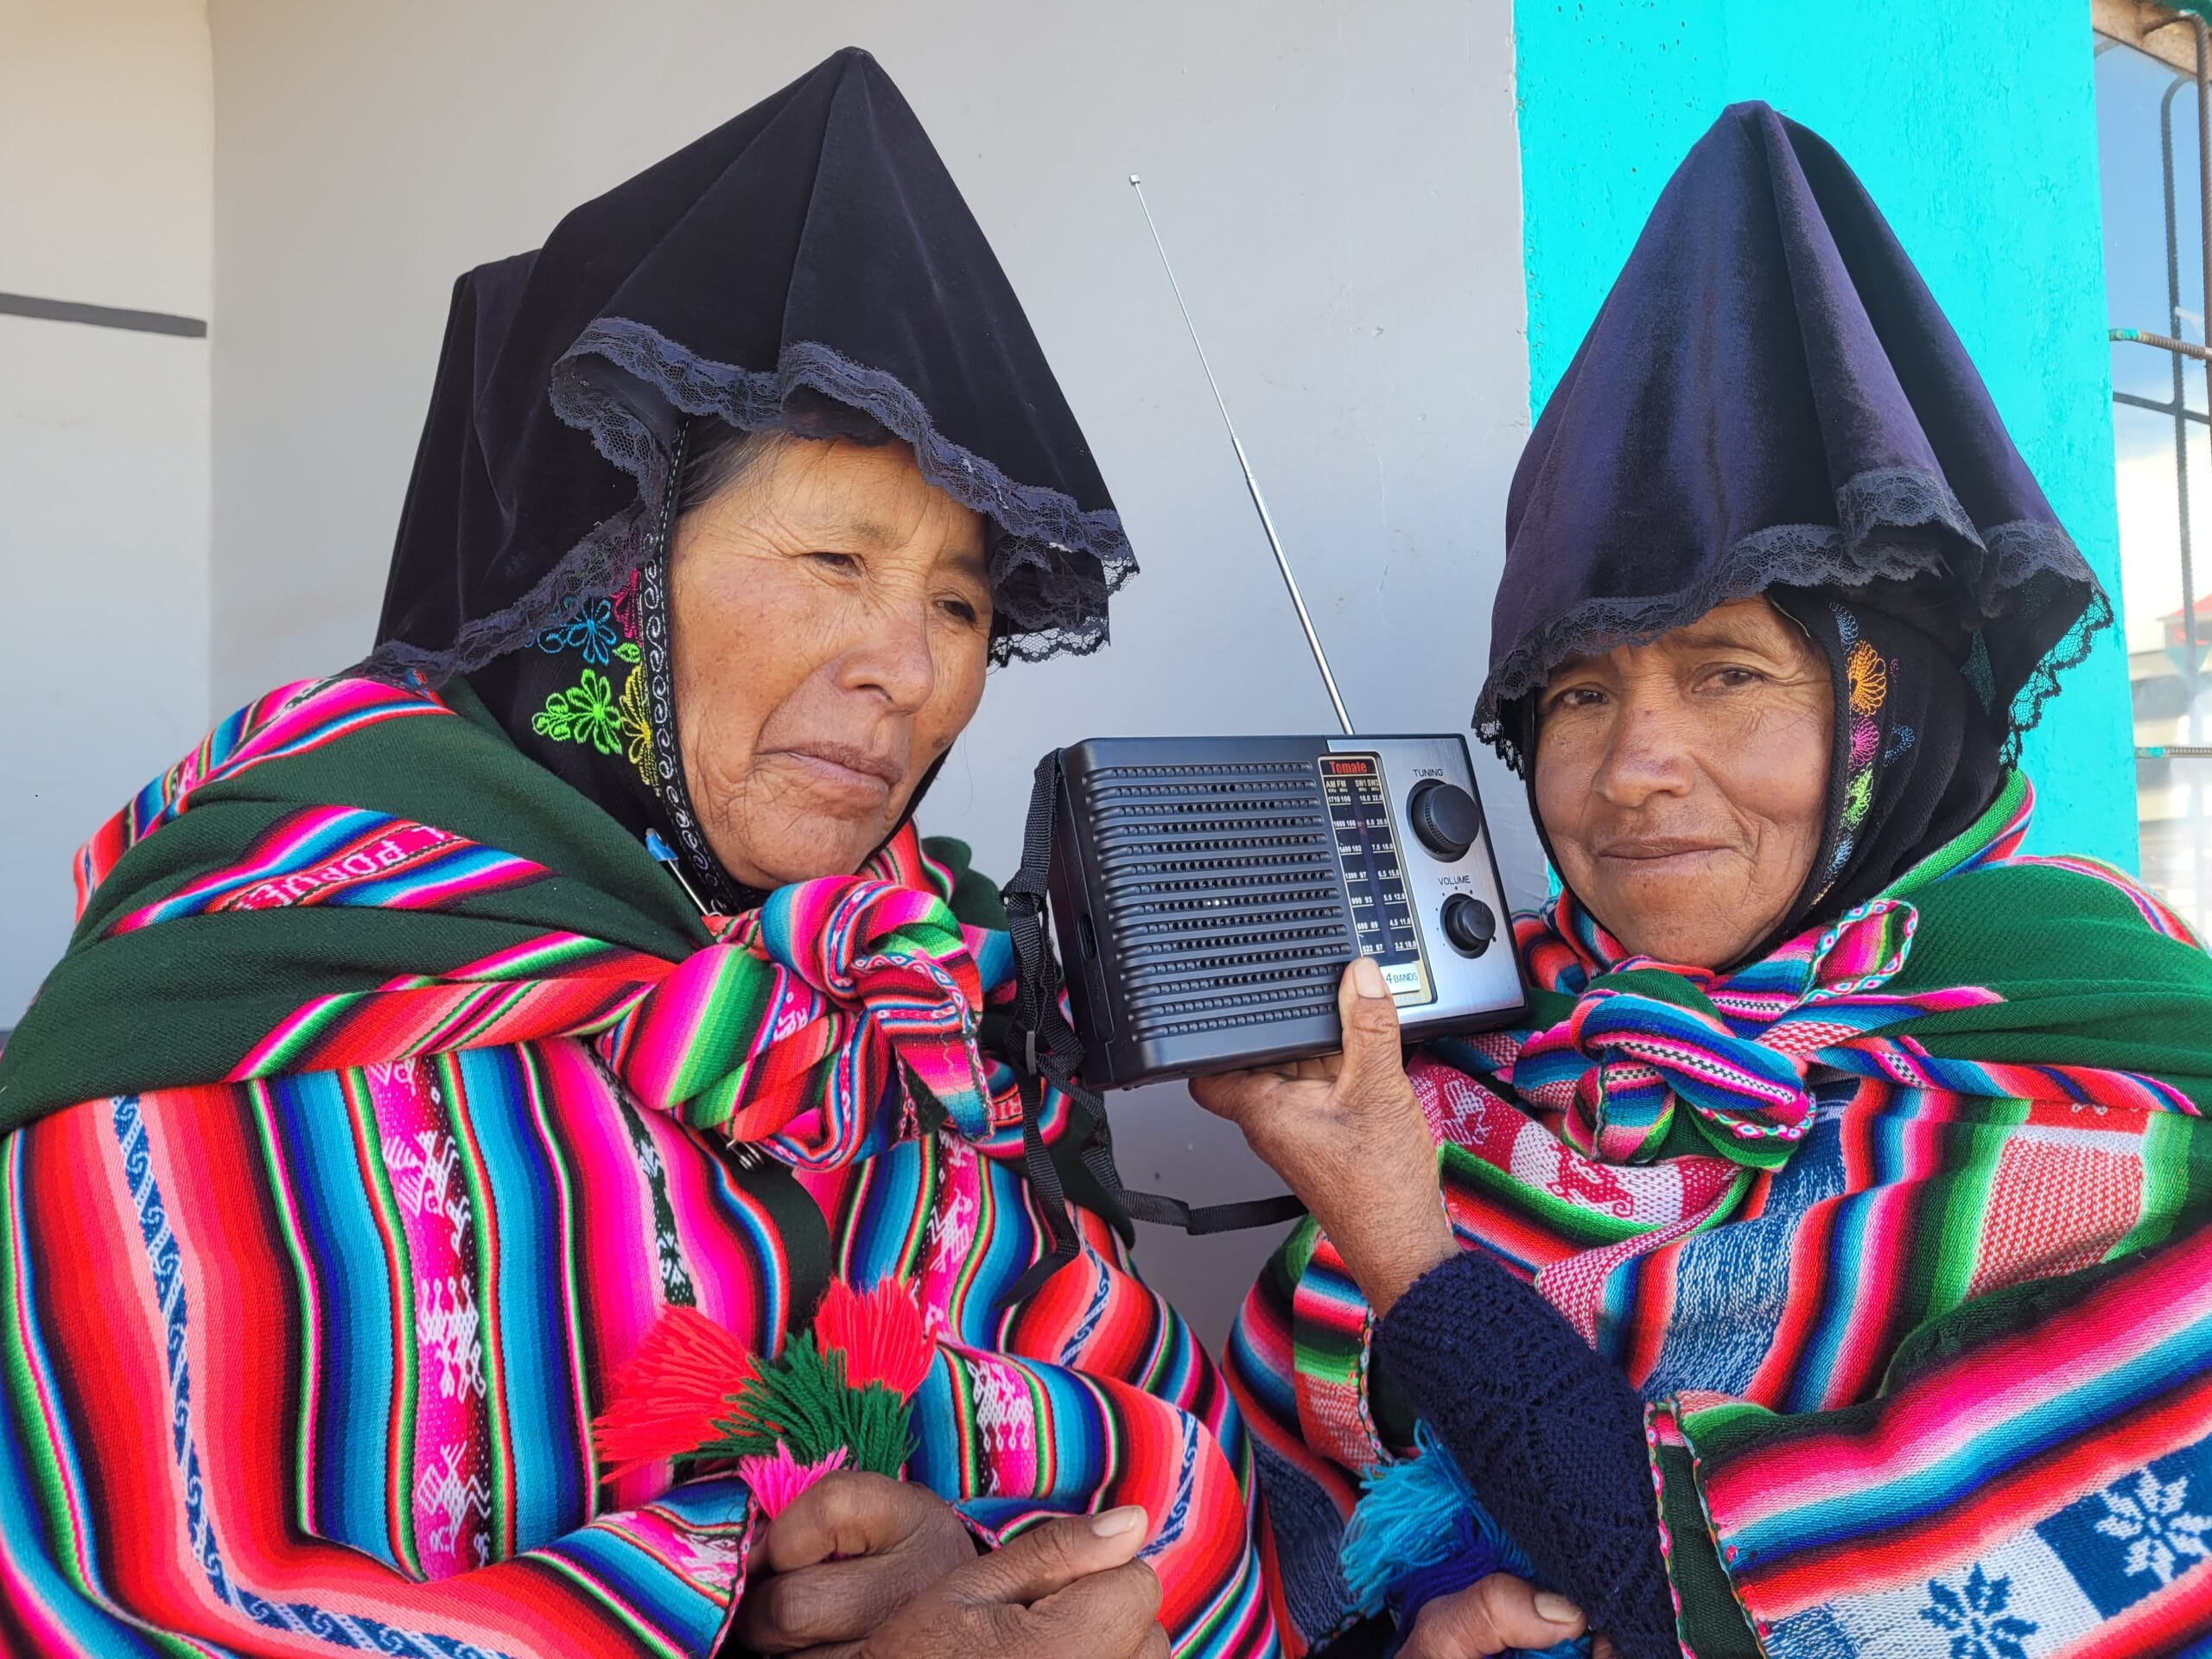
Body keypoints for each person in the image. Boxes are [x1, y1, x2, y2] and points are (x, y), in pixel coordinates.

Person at [0, 50, 1273, 1659]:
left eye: (958, 601)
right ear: (599, 579)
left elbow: (1162, 1447)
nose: (909, 668)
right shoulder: (256, 997)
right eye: (830, 557)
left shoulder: (892, 996)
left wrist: (987, 1544)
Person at [1198, 103, 2212, 1659]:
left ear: (1892, 720)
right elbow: (1289, 1580)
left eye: (1731, 672)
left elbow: (1769, 1621)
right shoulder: (1477, 1068)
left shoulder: (2107, 1076)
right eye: (1580, 695)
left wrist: (1408, 1243)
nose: (1630, 770)